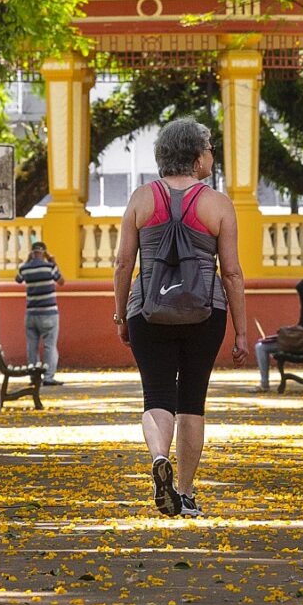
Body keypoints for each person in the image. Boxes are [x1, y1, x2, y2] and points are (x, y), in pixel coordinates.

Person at [112, 116, 248, 517]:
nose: (211, 155)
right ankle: (185, 493)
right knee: (192, 399)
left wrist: (121, 314)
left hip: (147, 311)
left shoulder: (140, 199)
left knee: (156, 395)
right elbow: (233, 273)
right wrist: (242, 331)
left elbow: (123, 263)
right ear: (195, 155)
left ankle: (158, 457)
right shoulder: (217, 204)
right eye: (208, 147)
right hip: (205, 312)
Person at [255, 277, 303, 389]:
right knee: (265, 343)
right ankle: (264, 382)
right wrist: (290, 330)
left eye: (300, 294)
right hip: (300, 341)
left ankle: (264, 384)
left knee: (260, 347)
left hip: (302, 344)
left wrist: (290, 331)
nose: (299, 297)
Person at [16, 237, 64, 382]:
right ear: (44, 252)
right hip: (49, 313)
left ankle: (33, 375)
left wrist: (26, 261)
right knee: (49, 346)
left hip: (31, 314)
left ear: (32, 253)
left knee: (32, 347)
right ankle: (48, 377)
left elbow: (18, 279)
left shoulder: (25, 268)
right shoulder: (49, 267)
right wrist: (53, 262)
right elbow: (61, 281)